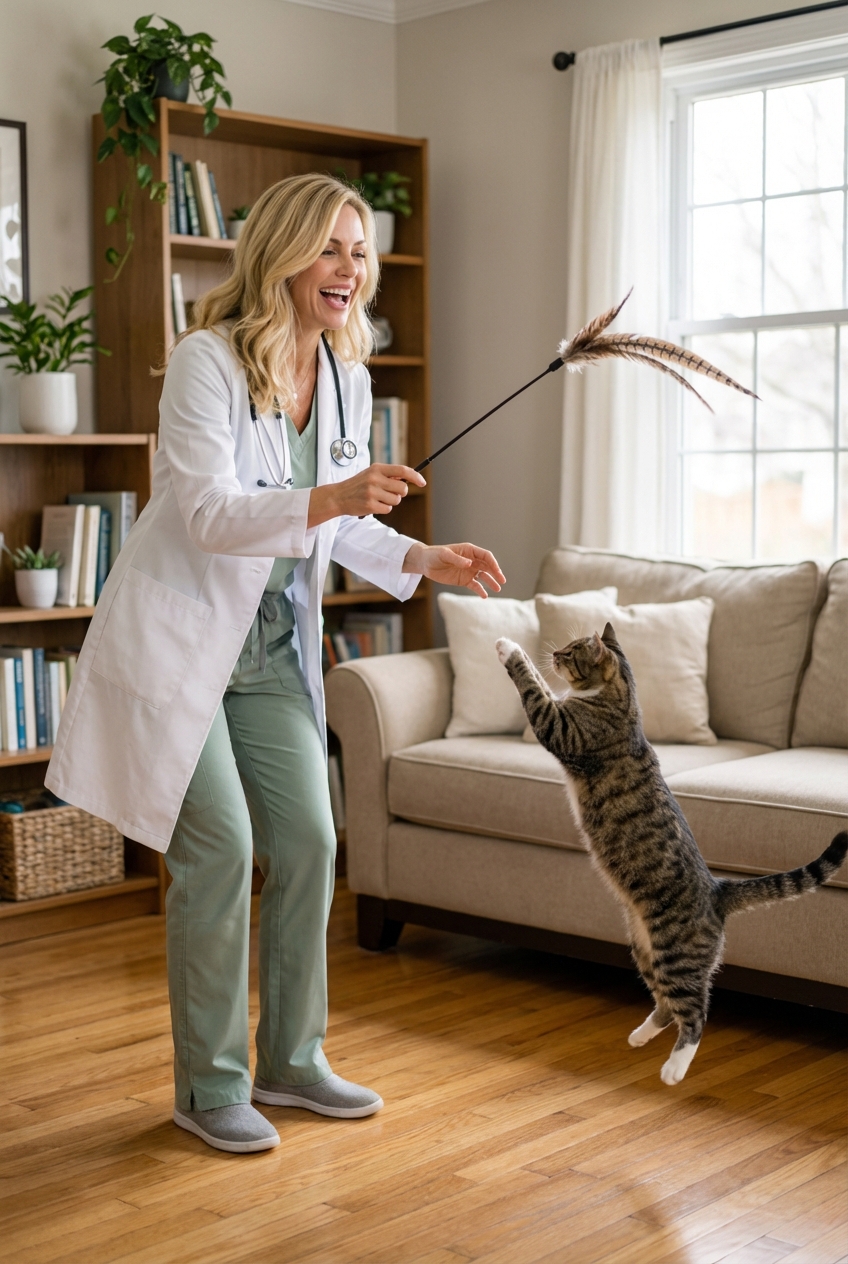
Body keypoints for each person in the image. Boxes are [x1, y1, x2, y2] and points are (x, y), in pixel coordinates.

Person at [46, 173, 504, 1154]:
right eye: (332, 248)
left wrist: (423, 556)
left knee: (308, 842)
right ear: (286, 253)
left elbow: (337, 527)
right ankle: (208, 1087)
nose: (349, 270)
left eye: (360, 251)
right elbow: (211, 513)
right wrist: (337, 497)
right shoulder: (204, 363)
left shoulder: (345, 372)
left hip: (267, 644)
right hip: (182, 642)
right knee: (214, 847)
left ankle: (292, 1060)